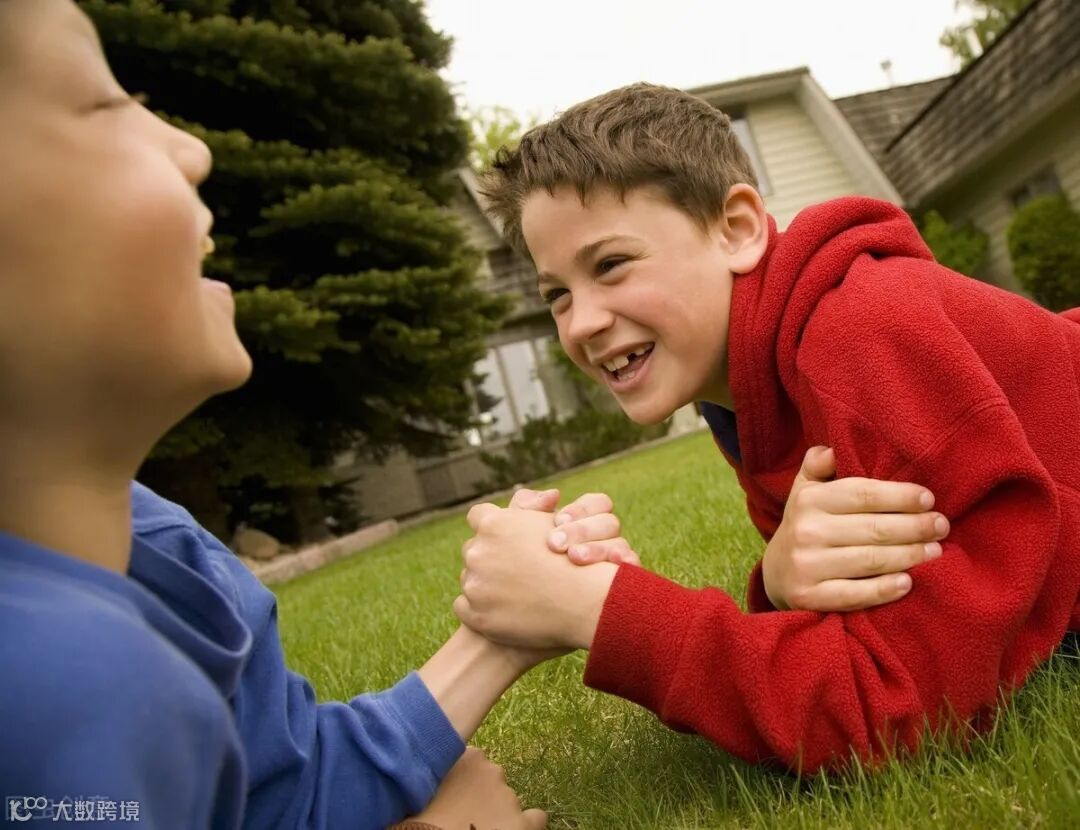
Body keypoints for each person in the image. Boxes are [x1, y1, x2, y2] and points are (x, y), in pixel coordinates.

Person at [0, 4, 943, 827]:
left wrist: (545, 622)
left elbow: (283, 790)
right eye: (103, 104)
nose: (192, 148)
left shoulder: (169, 554)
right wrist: (632, 606)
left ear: (737, 228)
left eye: (611, 266)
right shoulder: (57, 670)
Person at [456, 82, 1080, 774]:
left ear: (737, 229)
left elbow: (902, 705)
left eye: (610, 265)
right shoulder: (742, 387)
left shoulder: (860, 337)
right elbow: (858, 619)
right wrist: (779, 581)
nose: (582, 322)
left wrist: (600, 610)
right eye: (557, 295)